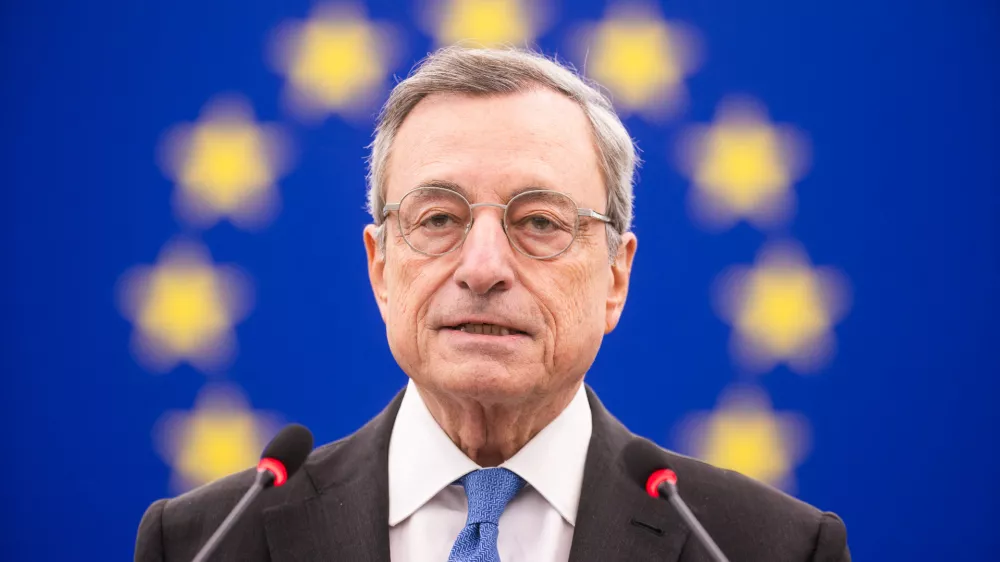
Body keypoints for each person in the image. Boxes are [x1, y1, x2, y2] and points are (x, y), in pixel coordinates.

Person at [134, 46, 850, 562]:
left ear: (615, 277)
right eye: (438, 218)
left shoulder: (767, 547)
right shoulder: (205, 542)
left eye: (538, 221)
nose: (482, 268)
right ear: (381, 268)